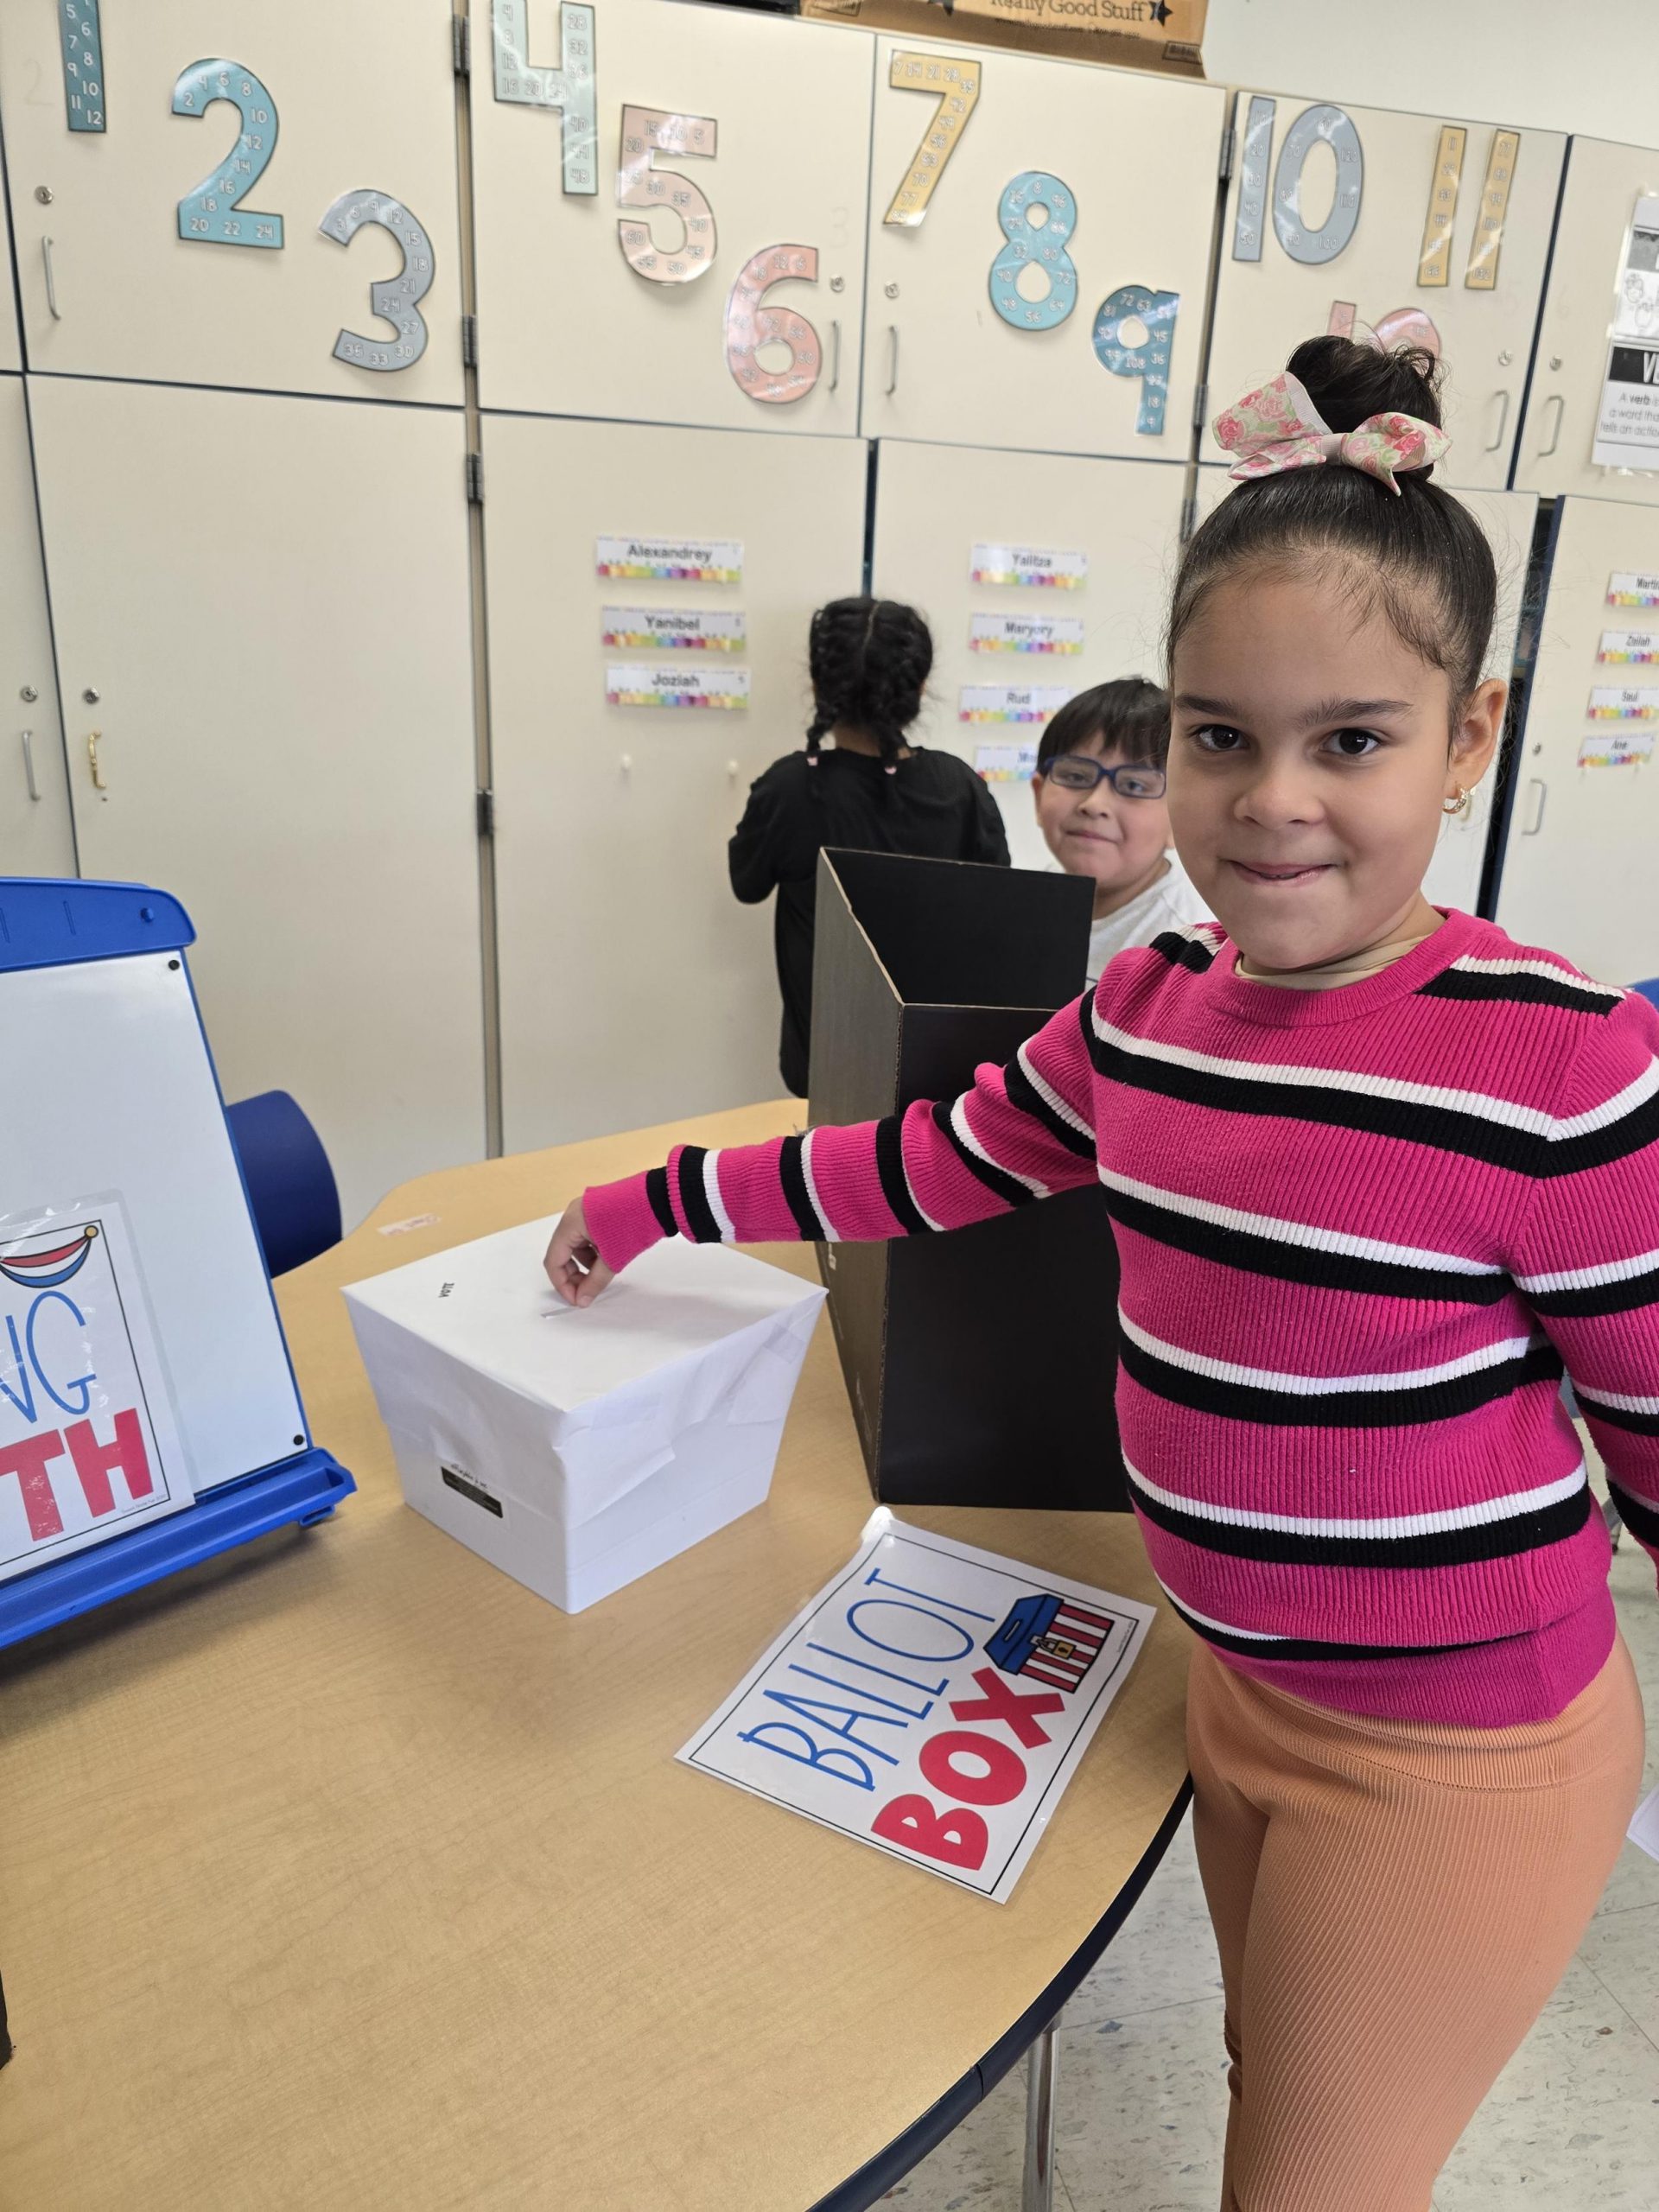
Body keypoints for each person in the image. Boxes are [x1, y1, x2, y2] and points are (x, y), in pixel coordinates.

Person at [546, 337, 1656, 2211]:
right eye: (1220, 735)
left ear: (1472, 736)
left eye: (1354, 738)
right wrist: (668, 1195)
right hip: (1228, 1684)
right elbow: (931, 1161)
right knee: (1274, 2087)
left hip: (1457, 1757)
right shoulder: (1146, 1002)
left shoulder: (1560, 1058)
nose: (1271, 799)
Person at [728, 596, 1009, 1098]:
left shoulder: (790, 788)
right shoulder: (959, 787)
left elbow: (746, 884)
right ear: (919, 690)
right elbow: (997, 913)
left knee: (823, 1171)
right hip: (936, 1060)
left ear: (818, 688)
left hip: (821, 1057)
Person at [1031, 677, 1212, 981]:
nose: (1095, 804)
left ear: (1179, 817)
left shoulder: (1189, 952)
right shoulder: (1031, 904)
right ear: (1038, 795)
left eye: (1134, 784)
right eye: (1075, 776)